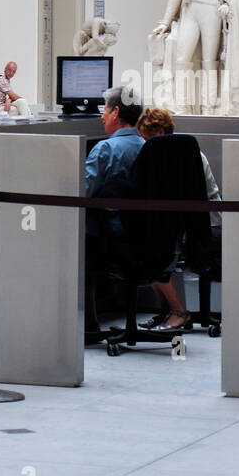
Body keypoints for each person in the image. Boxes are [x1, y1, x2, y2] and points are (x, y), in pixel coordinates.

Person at [135, 107, 222, 331]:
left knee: (152, 256)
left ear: (161, 133)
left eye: (149, 139)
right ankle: (167, 310)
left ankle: (179, 311)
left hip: (205, 225)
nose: (146, 145)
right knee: (150, 248)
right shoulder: (177, 154)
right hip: (189, 221)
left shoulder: (182, 156)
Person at [84, 87, 143, 340]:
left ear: (116, 112)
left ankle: (88, 322)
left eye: (105, 110)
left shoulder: (104, 150)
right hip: (143, 236)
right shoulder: (147, 146)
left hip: (111, 238)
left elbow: (82, 193)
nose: (102, 117)